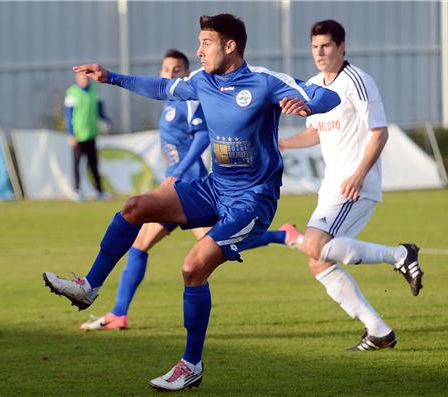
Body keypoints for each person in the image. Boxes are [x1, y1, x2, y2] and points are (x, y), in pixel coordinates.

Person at [43, 13, 340, 392]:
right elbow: (161, 87)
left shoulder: (265, 82)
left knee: (192, 267)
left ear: (230, 46)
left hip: (253, 200)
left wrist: (308, 106)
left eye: (206, 43)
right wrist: (112, 77)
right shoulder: (202, 81)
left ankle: (191, 364)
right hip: (215, 186)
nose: (199, 51)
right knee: (136, 206)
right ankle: (90, 287)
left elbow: (329, 95)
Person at [277, 20, 423, 352]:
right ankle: (379, 331)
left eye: (326, 46)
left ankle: (400, 254)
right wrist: (285, 144)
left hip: (355, 183)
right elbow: (316, 132)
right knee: (319, 261)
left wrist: (358, 175)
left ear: (342, 47)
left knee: (313, 247)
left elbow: (379, 132)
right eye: (315, 46)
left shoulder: (358, 82)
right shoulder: (315, 86)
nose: (320, 52)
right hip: (332, 185)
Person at [80, 49, 211, 331]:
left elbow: (202, 138)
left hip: (191, 187)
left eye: (176, 69)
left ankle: (282, 235)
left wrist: (177, 172)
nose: (170, 74)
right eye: (166, 69)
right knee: (139, 245)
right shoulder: (169, 102)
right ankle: (119, 313)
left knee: (224, 242)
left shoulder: (188, 101)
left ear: (185, 74)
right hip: (175, 186)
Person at [64, 71, 112, 201]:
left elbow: (101, 112)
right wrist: (70, 134)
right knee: (77, 164)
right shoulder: (72, 93)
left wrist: (107, 122)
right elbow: (68, 116)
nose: (84, 80)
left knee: (94, 165)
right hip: (78, 136)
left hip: (91, 134)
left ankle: (100, 191)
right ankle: (77, 191)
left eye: (86, 77)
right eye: (81, 77)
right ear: (77, 78)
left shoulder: (96, 91)